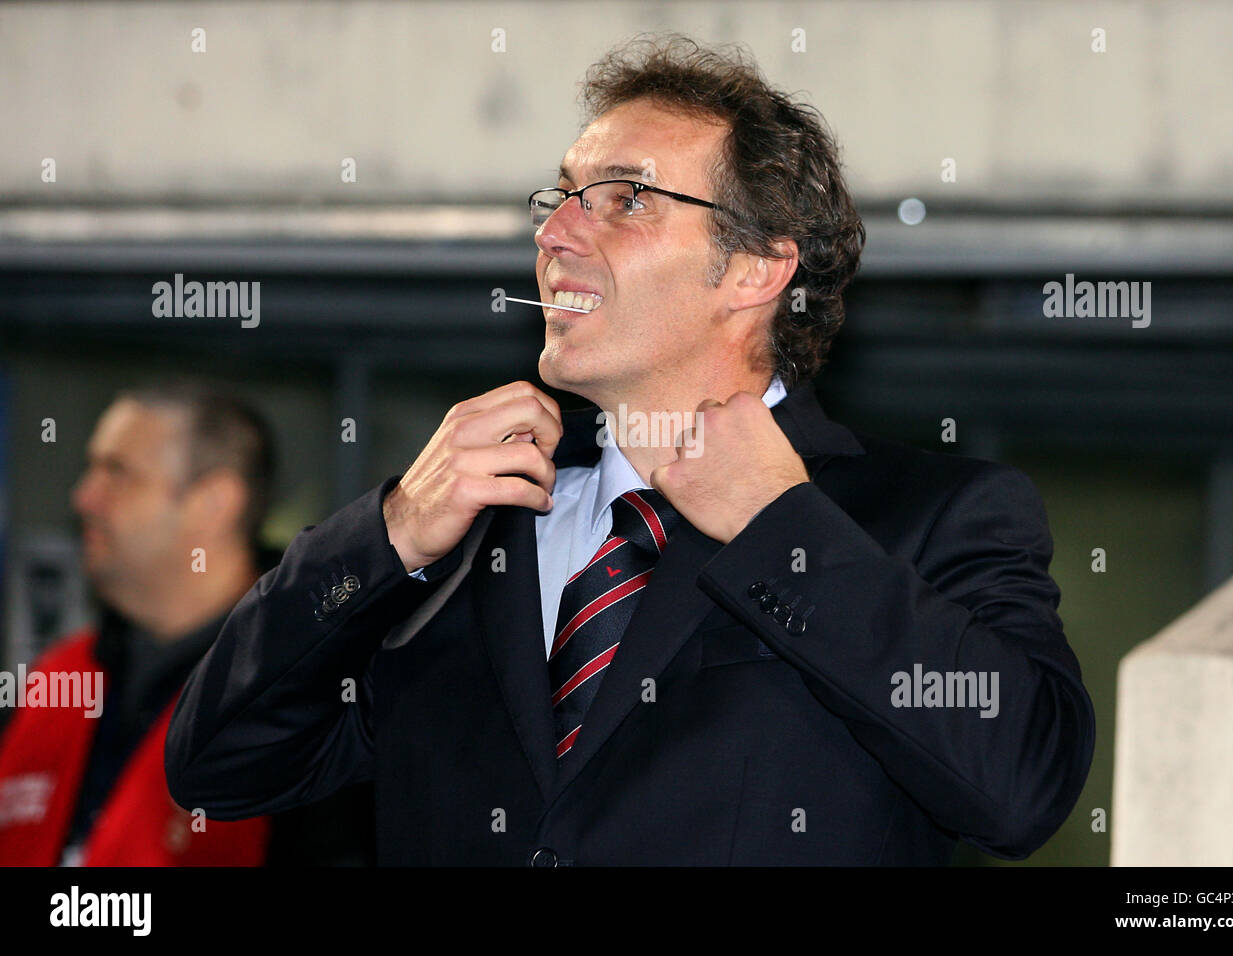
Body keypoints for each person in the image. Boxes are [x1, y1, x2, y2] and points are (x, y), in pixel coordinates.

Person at [166, 34, 1094, 865]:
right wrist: (390, 533)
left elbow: (1020, 787)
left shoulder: (926, 517)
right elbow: (218, 766)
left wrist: (783, 529)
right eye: (560, 198)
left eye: (626, 199)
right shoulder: (460, 539)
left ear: (756, 269)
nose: (554, 232)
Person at [0, 382, 373, 865]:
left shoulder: (317, 700)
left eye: (117, 472)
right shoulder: (54, 680)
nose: (84, 497)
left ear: (213, 504)